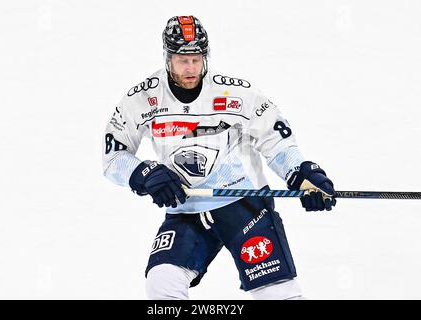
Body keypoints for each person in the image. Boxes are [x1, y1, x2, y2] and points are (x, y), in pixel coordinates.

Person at [102, 15, 336, 300]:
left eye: (197, 59)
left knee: (277, 294)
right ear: (167, 58)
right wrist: (144, 173)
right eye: (181, 60)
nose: (190, 68)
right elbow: (114, 156)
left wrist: (301, 173)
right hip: (186, 208)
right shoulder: (142, 98)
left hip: (245, 205)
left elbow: (276, 142)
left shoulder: (238, 93)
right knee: (161, 283)